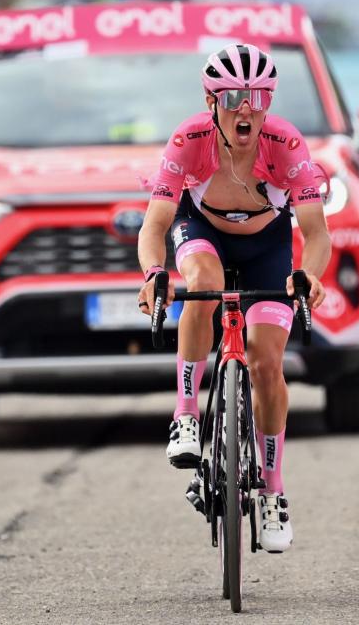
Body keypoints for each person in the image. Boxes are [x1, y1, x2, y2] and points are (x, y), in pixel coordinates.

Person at [137, 43, 331, 553]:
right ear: (211, 99)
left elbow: (316, 233)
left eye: (260, 97)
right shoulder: (189, 140)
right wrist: (155, 272)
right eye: (235, 97)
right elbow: (155, 223)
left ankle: (272, 492)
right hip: (203, 230)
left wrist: (307, 276)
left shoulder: (285, 146)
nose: (248, 108)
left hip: (269, 245)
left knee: (268, 364)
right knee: (202, 283)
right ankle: (185, 414)